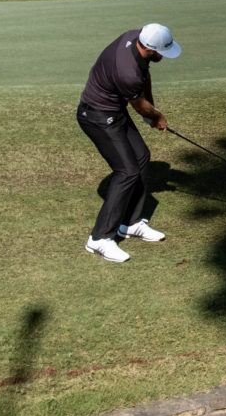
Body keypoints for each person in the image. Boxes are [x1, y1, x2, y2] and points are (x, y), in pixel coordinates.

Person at [77, 23, 181, 263]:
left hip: (113, 111)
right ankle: (99, 238)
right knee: (126, 171)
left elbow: (145, 77)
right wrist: (156, 117)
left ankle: (131, 223)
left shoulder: (136, 37)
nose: (163, 56)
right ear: (150, 49)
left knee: (141, 156)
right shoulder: (127, 71)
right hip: (96, 116)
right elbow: (137, 103)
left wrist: (151, 110)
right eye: (161, 53)